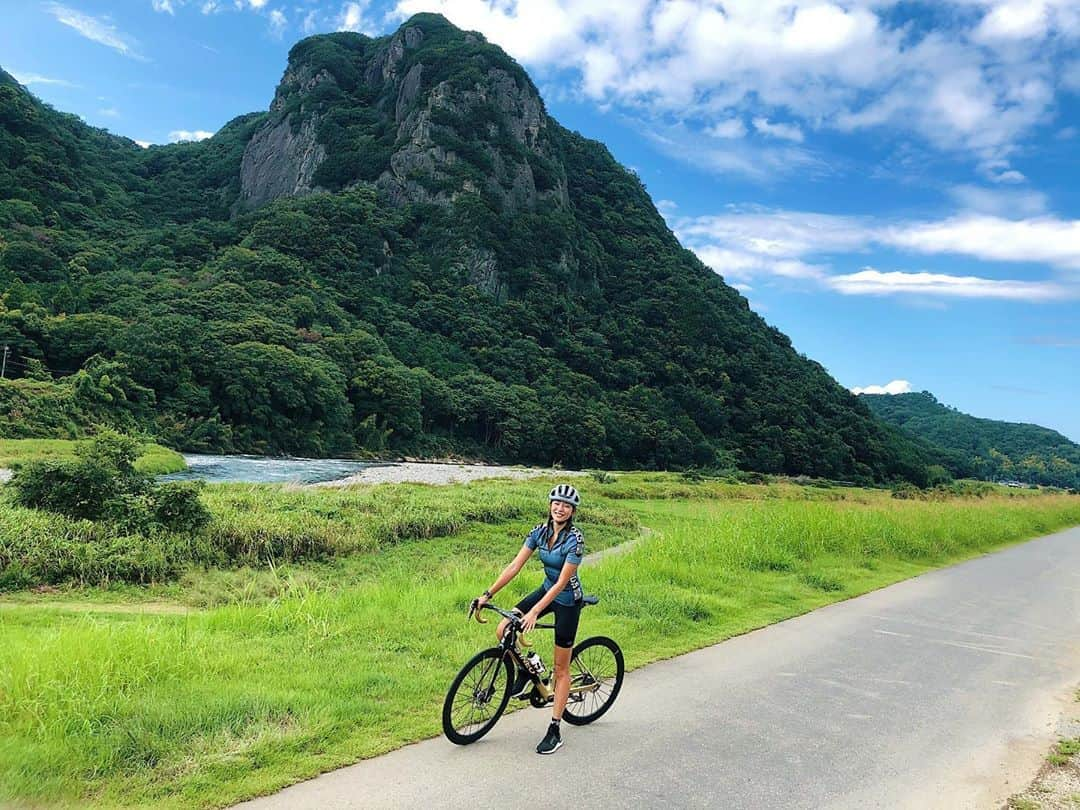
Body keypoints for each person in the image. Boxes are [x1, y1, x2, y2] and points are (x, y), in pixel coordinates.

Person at [474, 483, 584, 754]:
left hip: (568, 600)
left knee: (561, 670)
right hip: (546, 590)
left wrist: (535, 611)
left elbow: (561, 583)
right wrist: (487, 594)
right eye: (556, 503)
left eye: (566, 506)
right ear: (550, 505)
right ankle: (526, 671)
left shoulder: (575, 540)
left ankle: (555, 729)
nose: (560, 509)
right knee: (504, 628)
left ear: (572, 512)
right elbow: (515, 565)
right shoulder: (539, 532)